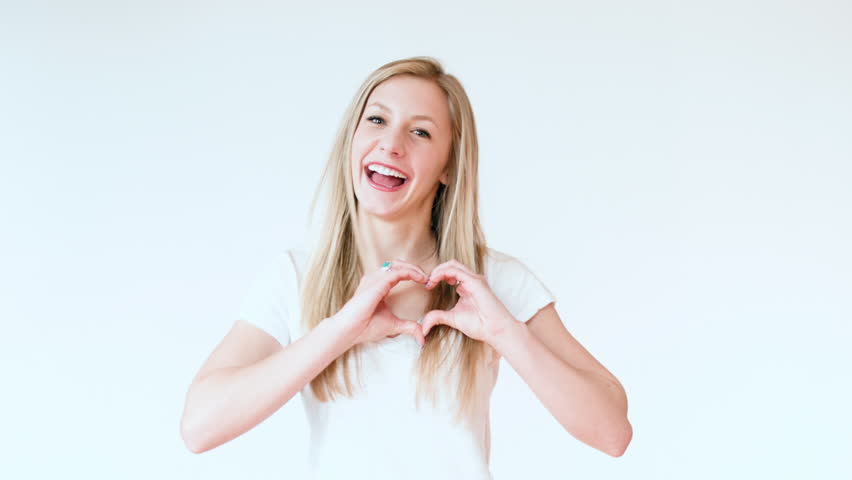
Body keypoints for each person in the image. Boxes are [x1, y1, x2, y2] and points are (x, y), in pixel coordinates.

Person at [179, 56, 632, 478]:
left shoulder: (495, 282)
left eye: (421, 133)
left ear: (448, 167)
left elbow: (613, 433)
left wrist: (506, 334)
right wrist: (340, 330)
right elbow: (199, 427)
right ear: (352, 139)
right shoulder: (295, 277)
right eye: (377, 119)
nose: (391, 144)